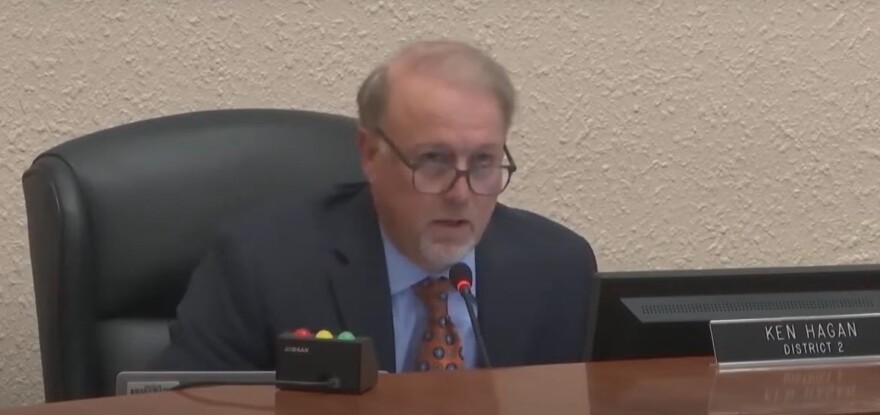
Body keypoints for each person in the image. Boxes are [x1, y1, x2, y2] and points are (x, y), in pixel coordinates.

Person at [149, 39, 597, 373]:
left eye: (482, 163)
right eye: (433, 160)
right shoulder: (262, 263)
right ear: (369, 154)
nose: (461, 194)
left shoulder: (559, 270)